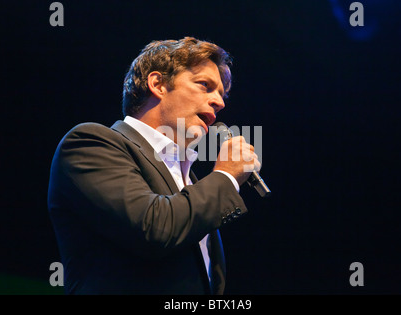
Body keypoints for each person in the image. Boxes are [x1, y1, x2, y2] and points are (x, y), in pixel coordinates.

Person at [47, 37, 261, 294]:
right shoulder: (90, 144)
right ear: (157, 84)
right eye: (205, 85)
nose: (220, 102)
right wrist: (226, 176)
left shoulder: (189, 177)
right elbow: (154, 229)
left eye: (222, 94)